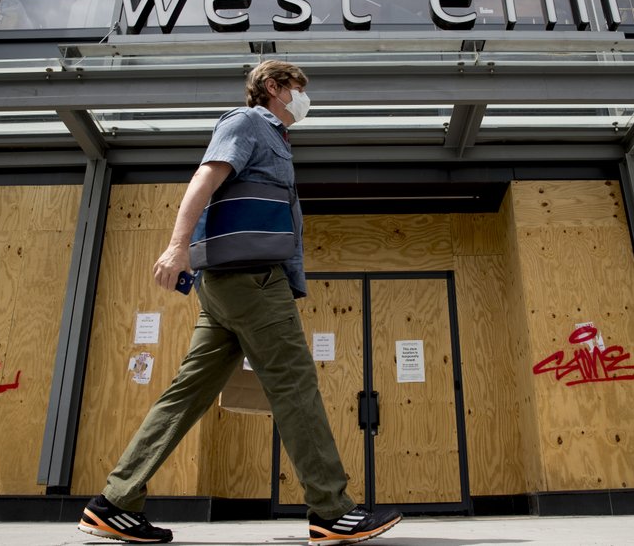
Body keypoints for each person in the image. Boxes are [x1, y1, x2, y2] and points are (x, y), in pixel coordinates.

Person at [78, 60, 402, 544]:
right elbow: (204, 180)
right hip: (249, 281)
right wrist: (176, 246)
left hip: (231, 285)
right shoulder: (248, 122)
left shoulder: (277, 139)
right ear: (273, 88)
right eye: (297, 87)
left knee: (188, 392)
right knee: (294, 384)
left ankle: (115, 501)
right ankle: (332, 510)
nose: (303, 97)